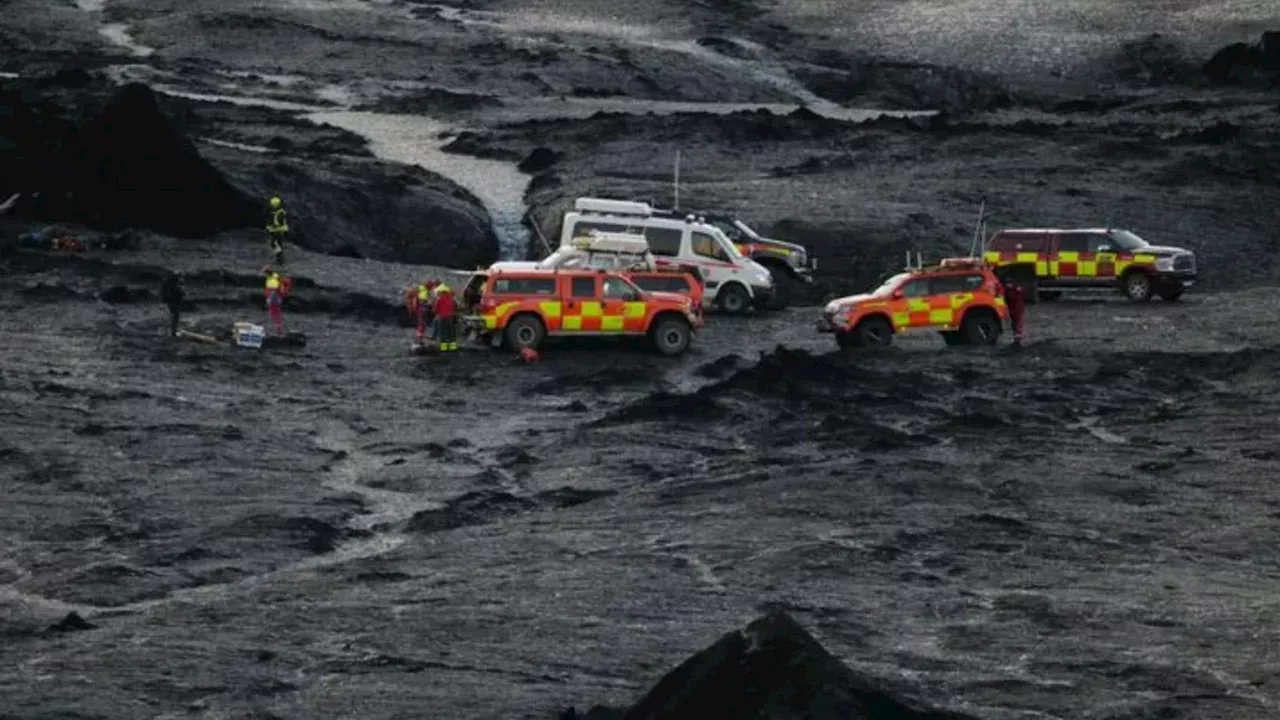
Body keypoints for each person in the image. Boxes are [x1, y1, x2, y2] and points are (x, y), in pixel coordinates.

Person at [262, 265, 288, 336]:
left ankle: (278, 330)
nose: (263, 275)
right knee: (277, 314)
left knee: (274, 315)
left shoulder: (272, 280)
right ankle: (278, 330)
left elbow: (273, 291)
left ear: (267, 273)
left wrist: (269, 300)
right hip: (278, 299)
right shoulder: (274, 277)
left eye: (264, 273)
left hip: (274, 300)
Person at [432, 282, 457, 352]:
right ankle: (453, 347)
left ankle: (444, 348)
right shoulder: (452, 299)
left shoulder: (439, 299)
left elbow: (435, 309)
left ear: (441, 292)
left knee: (443, 333)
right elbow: (455, 307)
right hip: (450, 317)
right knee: (451, 332)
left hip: (442, 317)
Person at [159, 271, 185, 337]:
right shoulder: (173, 284)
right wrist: (182, 293)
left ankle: (166, 332)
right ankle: (173, 333)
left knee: (167, 318)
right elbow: (174, 293)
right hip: (172, 303)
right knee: (175, 317)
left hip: (166, 302)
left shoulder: (167, 282)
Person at [265, 196, 289, 265]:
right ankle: (279, 259)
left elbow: (280, 222)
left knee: (273, 243)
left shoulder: (280, 213)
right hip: (276, 230)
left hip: (278, 230)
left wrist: (273, 225)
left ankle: (280, 257)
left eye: (272, 205)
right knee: (279, 244)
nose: (271, 206)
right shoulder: (276, 212)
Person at [1004, 278, 1026, 347]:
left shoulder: (1016, 289)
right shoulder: (1007, 290)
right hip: (1012, 309)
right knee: (1014, 324)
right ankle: (1016, 338)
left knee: (1019, 323)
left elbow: (1021, 296)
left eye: (1008, 284)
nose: (1007, 285)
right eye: (1006, 284)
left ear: (1011, 283)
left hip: (1018, 308)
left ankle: (1018, 340)